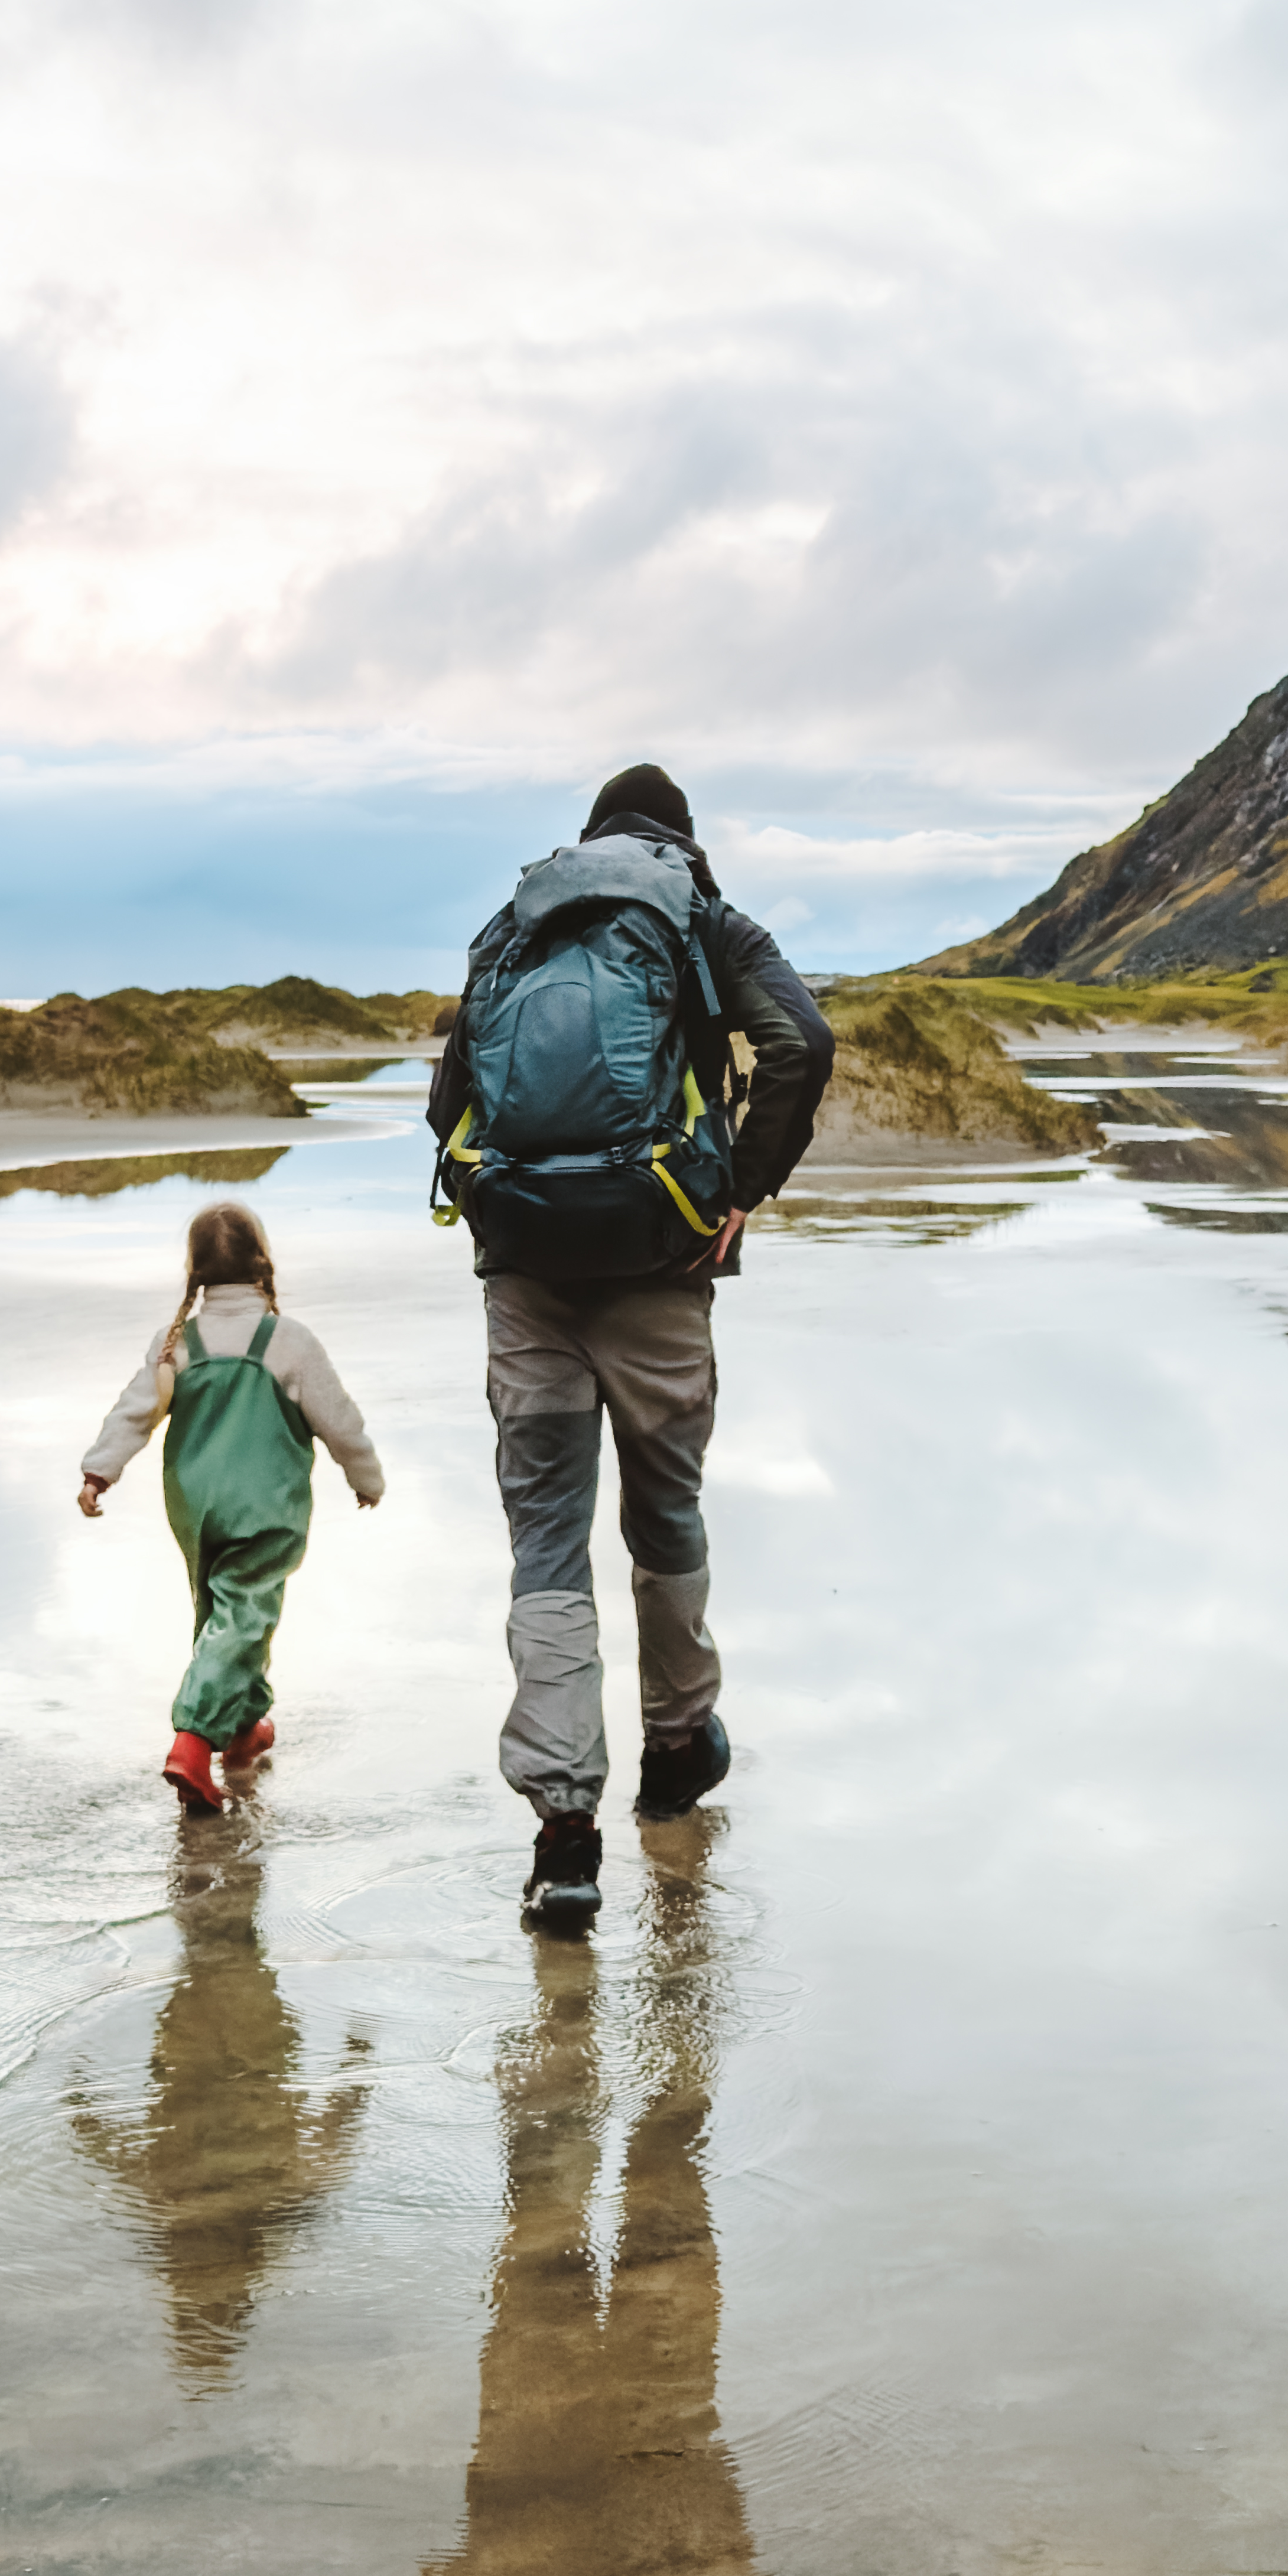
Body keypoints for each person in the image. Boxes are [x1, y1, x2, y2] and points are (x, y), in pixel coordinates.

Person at [427, 765, 834, 1924]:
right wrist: (736, 1194)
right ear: (681, 842)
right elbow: (801, 1043)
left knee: (548, 1543)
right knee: (665, 1519)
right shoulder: (704, 919)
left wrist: (503, 1205)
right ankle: (673, 1758)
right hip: (665, 1270)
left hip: (528, 1282)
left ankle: (564, 1839)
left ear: (591, 835)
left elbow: (446, 1100)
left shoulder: (514, 921)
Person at [79, 1196, 385, 1814]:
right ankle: (192, 1741)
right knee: (246, 1616)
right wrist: (365, 1475)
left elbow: (135, 1410)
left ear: (193, 1272)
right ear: (263, 1264)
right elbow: (339, 1419)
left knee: (221, 1612)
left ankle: (244, 1729)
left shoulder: (177, 1342)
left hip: (195, 1506)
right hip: (263, 1505)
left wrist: (98, 1471)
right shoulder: (289, 1341)